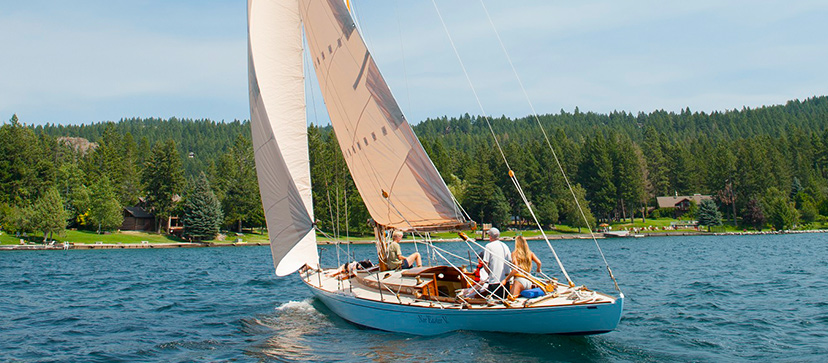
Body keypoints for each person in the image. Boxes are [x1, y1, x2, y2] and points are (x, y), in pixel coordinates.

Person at [482, 227, 511, 299]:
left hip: (494, 281)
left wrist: (490, 273)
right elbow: (510, 261)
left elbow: (485, 263)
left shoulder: (488, 246)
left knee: (493, 301)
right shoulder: (505, 246)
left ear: (490, 236)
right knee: (504, 300)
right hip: (505, 281)